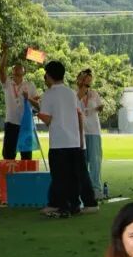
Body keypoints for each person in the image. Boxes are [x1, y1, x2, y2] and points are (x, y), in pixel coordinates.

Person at [35, 60, 96, 217]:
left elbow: (48, 119)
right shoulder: (71, 93)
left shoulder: (48, 94)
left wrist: (38, 112)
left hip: (58, 142)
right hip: (73, 140)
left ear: (49, 76)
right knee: (74, 175)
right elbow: (78, 114)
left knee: (59, 177)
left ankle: (63, 206)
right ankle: (74, 205)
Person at [0, 45, 39, 161]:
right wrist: (5, 53)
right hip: (11, 123)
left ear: (24, 72)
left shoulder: (30, 85)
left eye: (19, 68)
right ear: (12, 71)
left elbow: (37, 105)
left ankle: (25, 173)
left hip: (26, 124)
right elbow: (1, 70)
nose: (17, 69)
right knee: (8, 156)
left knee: (26, 157)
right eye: (15, 68)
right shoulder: (7, 83)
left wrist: (29, 98)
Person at [77, 69, 104, 199]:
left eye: (89, 80)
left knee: (95, 160)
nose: (88, 82)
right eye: (85, 79)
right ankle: (82, 189)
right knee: (81, 162)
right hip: (79, 131)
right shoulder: (75, 94)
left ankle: (96, 188)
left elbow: (101, 106)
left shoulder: (94, 93)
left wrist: (98, 108)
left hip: (93, 130)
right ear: (79, 80)